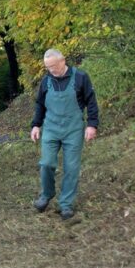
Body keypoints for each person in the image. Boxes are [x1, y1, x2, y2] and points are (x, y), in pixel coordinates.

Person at [30, 49, 99, 220]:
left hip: (73, 130)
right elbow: (40, 104)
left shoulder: (81, 77)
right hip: (51, 129)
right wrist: (36, 125)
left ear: (63, 61)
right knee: (46, 163)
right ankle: (46, 194)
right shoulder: (46, 81)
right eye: (47, 67)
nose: (51, 69)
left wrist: (92, 125)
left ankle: (66, 204)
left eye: (53, 66)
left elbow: (91, 101)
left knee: (71, 167)